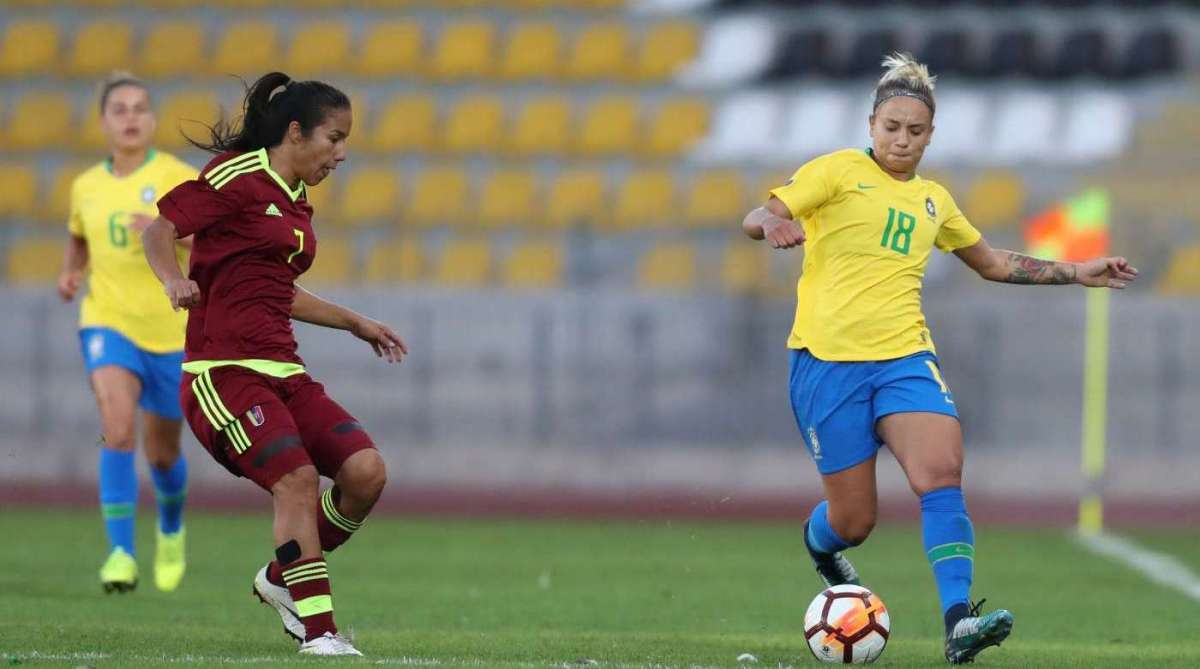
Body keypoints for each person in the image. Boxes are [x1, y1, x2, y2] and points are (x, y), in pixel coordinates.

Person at [741, 53, 1138, 664]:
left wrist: (1077, 271)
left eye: (915, 130)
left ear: (930, 135)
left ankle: (959, 622)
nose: (902, 140)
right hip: (827, 363)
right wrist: (770, 226)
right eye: (891, 127)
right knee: (854, 523)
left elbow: (993, 263)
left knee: (941, 473)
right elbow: (759, 214)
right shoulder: (837, 171)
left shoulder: (934, 201)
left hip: (904, 359)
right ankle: (821, 544)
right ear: (871, 125)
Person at [142, 71, 406, 657]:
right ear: (295, 132)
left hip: (284, 371)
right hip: (221, 374)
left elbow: (276, 290)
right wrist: (172, 280)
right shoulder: (235, 177)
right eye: (335, 138)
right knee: (297, 480)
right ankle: (320, 633)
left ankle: (282, 577)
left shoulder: (297, 201)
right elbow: (161, 230)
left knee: (366, 473)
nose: (341, 153)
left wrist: (354, 321)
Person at [58, 72, 196, 594]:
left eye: (140, 108)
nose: (131, 117)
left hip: (170, 331)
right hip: (107, 320)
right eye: (120, 109)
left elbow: (214, 239)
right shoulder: (85, 186)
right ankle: (120, 553)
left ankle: (171, 528)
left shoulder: (177, 177)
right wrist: (71, 272)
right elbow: (79, 236)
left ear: (153, 120)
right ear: (104, 122)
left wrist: (164, 236)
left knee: (162, 454)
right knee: (117, 428)